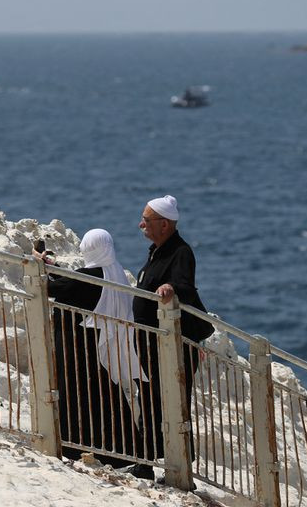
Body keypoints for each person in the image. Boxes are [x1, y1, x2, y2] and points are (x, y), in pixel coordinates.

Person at [35, 229, 145, 467]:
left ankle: (74, 448)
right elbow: (70, 282)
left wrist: (37, 267)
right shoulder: (114, 273)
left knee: (77, 396)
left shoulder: (87, 277)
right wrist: (52, 266)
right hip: (103, 346)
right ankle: (123, 451)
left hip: (77, 347)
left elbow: (54, 288)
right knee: (105, 397)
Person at [127, 195, 214, 481]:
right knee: (152, 401)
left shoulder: (181, 252)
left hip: (169, 345)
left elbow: (185, 285)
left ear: (164, 224)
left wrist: (170, 287)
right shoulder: (158, 250)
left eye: (147, 221)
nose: (141, 225)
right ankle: (146, 462)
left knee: (172, 403)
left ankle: (177, 467)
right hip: (152, 343)